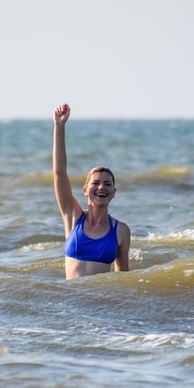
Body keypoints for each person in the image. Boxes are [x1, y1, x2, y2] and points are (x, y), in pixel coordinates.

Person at [53, 103, 131, 279]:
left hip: (98, 303)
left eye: (107, 184)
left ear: (114, 192)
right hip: (69, 301)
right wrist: (59, 126)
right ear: (86, 190)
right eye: (96, 183)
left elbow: (123, 278)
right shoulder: (72, 217)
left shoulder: (121, 231)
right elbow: (59, 173)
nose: (102, 187)